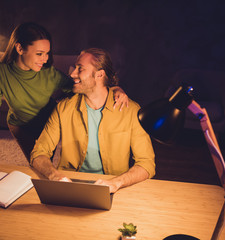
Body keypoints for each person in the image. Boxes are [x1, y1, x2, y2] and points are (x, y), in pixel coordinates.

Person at [0, 23, 128, 181]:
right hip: (20, 127)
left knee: (46, 167)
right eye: (39, 54)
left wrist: (115, 88)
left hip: (48, 124)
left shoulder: (50, 74)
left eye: (47, 53)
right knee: (36, 166)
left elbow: (87, 86)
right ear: (19, 48)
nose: (45, 59)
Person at [30, 48, 155, 193]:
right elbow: (38, 152)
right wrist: (55, 176)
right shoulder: (63, 108)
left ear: (100, 74)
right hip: (69, 185)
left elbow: (147, 164)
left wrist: (116, 183)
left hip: (113, 186)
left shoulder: (131, 111)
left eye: (80, 69)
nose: (72, 74)